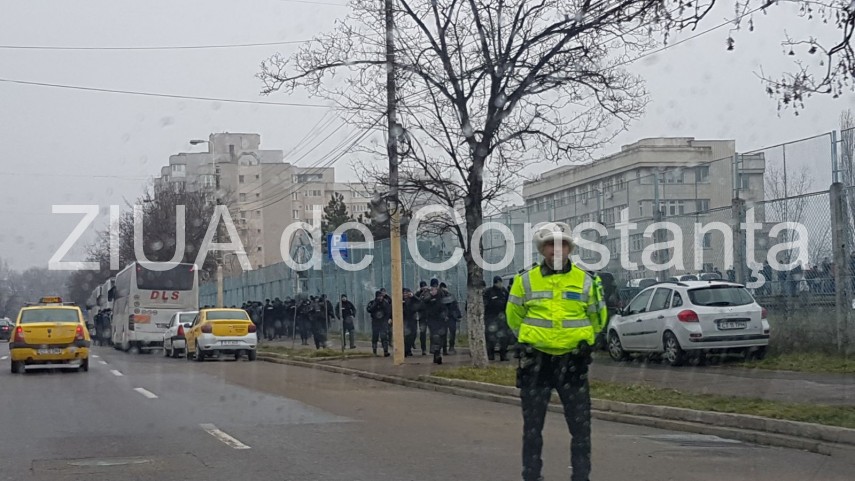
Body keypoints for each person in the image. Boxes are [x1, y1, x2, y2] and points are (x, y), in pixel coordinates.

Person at [506, 222, 607, 481]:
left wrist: (582, 342)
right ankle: (531, 476)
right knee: (532, 428)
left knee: (581, 429)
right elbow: (513, 317)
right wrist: (533, 340)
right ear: (543, 249)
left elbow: (598, 317)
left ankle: (581, 477)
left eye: (562, 244)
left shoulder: (587, 280)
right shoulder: (524, 280)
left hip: (573, 362)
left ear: (570, 248)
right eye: (551, 244)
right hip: (536, 362)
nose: (557, 250)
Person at [420, 278, 449, 364]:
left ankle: (437, 353)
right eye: (433, 286)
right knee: (435, 336)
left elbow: (447, 303)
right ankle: (437, 354)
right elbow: (422, 303)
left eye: (436, 286)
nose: (434, 287)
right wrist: (430, 296)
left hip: (441, 318)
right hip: (431, 318)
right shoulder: (427, 293)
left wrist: (446, 314)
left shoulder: (442, 293)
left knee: (441, 337)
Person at [484, 275, 510, 361]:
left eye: (500, 282)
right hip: (491, 317)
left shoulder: (504, 292)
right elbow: (485, 304)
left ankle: (503, 355)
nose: (500, 284)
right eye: (498, 282)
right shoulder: (489, 292)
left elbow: (508, 303)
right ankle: (491, 355)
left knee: (504, 337)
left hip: (502, 317)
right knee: (491, 337)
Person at [366, 290, 391, 357]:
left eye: (381, 296)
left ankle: (385, 351)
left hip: (383, 322)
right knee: (375, 336)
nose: (380, 298)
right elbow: (369, 310)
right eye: (379, 296)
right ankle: (374, 351)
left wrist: (388, 319)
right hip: (375, 322)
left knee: (384, 337)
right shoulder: (372, 302)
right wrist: (375, 304)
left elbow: (389, 311)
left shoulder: (385, 303)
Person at [439, 282, 461, 355]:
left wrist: (458, 315)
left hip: (451, 317)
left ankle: (451, 347)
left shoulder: (450, 295)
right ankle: (445, 349)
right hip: (444, 317)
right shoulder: (439, 296)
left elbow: (455, 305)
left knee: (452, 333)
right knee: (444, 334)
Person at [402, 287, 422, 357]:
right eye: (403, 293)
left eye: (406, 293)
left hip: (412, 318)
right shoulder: (400, 300)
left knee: (413, 334)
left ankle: (409, 348)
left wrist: (413, 296)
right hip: (404, 319)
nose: (405, 295)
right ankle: (405, 350)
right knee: (406, 335)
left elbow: (420, 303)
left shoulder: (412, 299)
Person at [416, 280, 430, 355]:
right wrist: (421, 294)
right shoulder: (418, 294)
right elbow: (416, 301)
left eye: (425, 286)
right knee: (422, 332)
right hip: (422, 316)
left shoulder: (430, 292)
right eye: (422, 287)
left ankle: (433, 348)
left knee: (433, 332)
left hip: (430, 315)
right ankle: (423, 349)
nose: (424, 288)